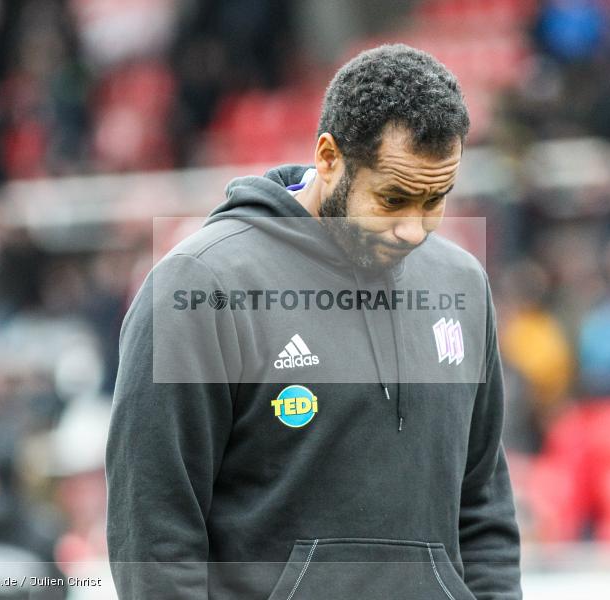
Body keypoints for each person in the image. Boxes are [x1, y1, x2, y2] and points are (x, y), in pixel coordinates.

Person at [106, 44, 522, 599]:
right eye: (393, 198)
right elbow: (154, 530)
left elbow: (483, 509)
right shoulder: (201, 284)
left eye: (435, 200)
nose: (414, 229)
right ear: (329, 157)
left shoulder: (462, 285)